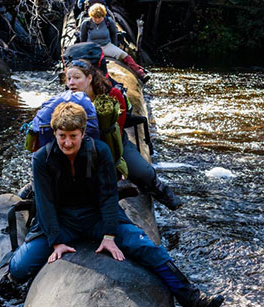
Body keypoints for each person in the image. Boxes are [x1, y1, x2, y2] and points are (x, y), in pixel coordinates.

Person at [8, 102, 224, 307]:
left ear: (82, 133)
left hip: (97, 218)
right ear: (55, 134)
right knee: (19, 268)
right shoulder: (41, 159)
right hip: (60, 222)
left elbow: (108, 196)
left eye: (73, 136)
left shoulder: (100, 151)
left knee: (146, 248)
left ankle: (195, 300)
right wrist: (56, 242)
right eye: (62, 136)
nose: (67, 142)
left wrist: (109, 235)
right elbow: (45, 204)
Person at [66, 58, 181, 210]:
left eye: (76, 78)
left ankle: (160, 190)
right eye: (68, 79)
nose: (71, 83)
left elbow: (117, 130)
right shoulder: (67, 99)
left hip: (114, 142)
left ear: (89, 78)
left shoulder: (112, 94)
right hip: (80, 146)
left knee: (142, 172)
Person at [79, 3, 149, 82]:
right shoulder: (86, 23)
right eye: (95, 18)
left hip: (106, 45)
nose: (97, 20)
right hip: (92, 47)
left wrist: (114, 46)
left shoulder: (109, 22)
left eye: (99, 18)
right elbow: (83, 38)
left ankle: (140, 74)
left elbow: (114, 35)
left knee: (125, 56)